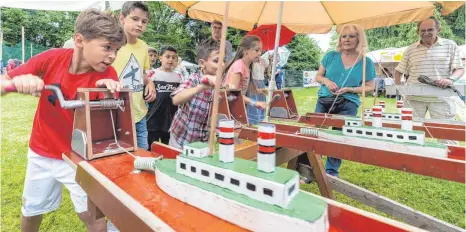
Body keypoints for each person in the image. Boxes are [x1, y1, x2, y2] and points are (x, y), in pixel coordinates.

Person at [1, 8, 125, 231]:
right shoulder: (52, 58)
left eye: (116, 50)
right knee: (31, 212)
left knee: (94, 218)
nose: (112, 56)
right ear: (79, 40)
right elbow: (3, 83)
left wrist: (106, 94)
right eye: (107, 47)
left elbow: (111, 128)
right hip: (42, 152)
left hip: (80, 158)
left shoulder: (108, 76)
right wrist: (19, 82)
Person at [296, 24, 376, 179]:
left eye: (351, 36)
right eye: (344, 36)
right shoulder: (330, 56)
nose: (347, 39)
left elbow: (370, 86)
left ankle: (331, 172)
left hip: (348, 103)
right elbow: (318, 76)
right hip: (325, 100)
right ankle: (309, 170)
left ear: (359, 39)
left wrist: (350, 89)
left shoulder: (366, 62)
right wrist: (326, 81)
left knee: (338, 138)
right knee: (315, 133)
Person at [394, 17, 464, 141]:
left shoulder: (450, 45)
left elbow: (459, 69)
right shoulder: (410, 49)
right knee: (410, 135)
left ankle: (446, 160)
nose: (426, 33)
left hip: (441, 98)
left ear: (438, 30)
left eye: (430, 29)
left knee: (446, 136)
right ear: (418, 32)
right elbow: (398, 71)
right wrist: (402, 91)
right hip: (414, 99)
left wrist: (450, 80)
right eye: (422, 30)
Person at [112, 1, 156, 151]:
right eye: (135, 19)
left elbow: (143, 73)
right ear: (122, 18)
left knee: (142, 152)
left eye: (144, 21)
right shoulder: (111, 44)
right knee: (118, 155)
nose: (140, 25)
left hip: (139, 113)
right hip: (115, 111)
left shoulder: (144, 46)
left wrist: (150, 83)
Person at [169, 39, 220, 149]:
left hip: (201, 142)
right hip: (180, 139)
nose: (222, 65)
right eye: (216, 61)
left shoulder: (220, 83)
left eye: (223, 60)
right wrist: (200, 87)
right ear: (202, 63)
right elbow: (176, 99)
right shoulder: (194, 79)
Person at [146, 46, 181, 147]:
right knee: (151, 148)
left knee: (169, 149)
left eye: (173, 57)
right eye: (168, 56)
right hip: (153, 119)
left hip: (171, 121)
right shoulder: (152, 74)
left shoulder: (178, 77)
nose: (171, 60)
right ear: (160, 58)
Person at [224, 35, 267, 117]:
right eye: (257, 50)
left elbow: (245, 85)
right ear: (245, 51)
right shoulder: (239, 66)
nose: (260, 53)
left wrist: (259, 91)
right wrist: (255, 103)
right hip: (228, 109)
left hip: (236, 107)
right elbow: (233, 94)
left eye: (261, 50)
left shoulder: (247, 67)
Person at [249, 54, 270, 124]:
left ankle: (261, 118)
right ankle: (252, 119)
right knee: (254, 99)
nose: (259, 52)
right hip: (253, 81)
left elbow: (268, 72)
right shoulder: (251, 60)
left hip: (261, 81)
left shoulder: (263, 60)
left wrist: (270, 61)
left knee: (261, 99)